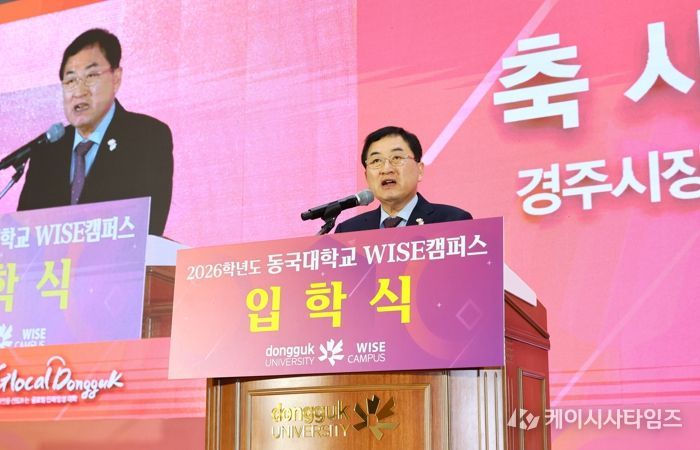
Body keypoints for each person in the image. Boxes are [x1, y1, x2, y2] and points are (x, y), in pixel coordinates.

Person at [17, 28, 173, 236]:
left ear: (116, 78)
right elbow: (24, 234)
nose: (79, 91)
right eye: (70, 80)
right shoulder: (46, 151)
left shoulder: (147, 137)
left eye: (91, 76)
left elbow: (148, 228)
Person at [335, 126, 471, 233]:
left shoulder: (453, 222)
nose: (386, 169)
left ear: (420, 170)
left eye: (397, 158)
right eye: (376, 161)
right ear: (366, 177)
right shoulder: (348, 232)